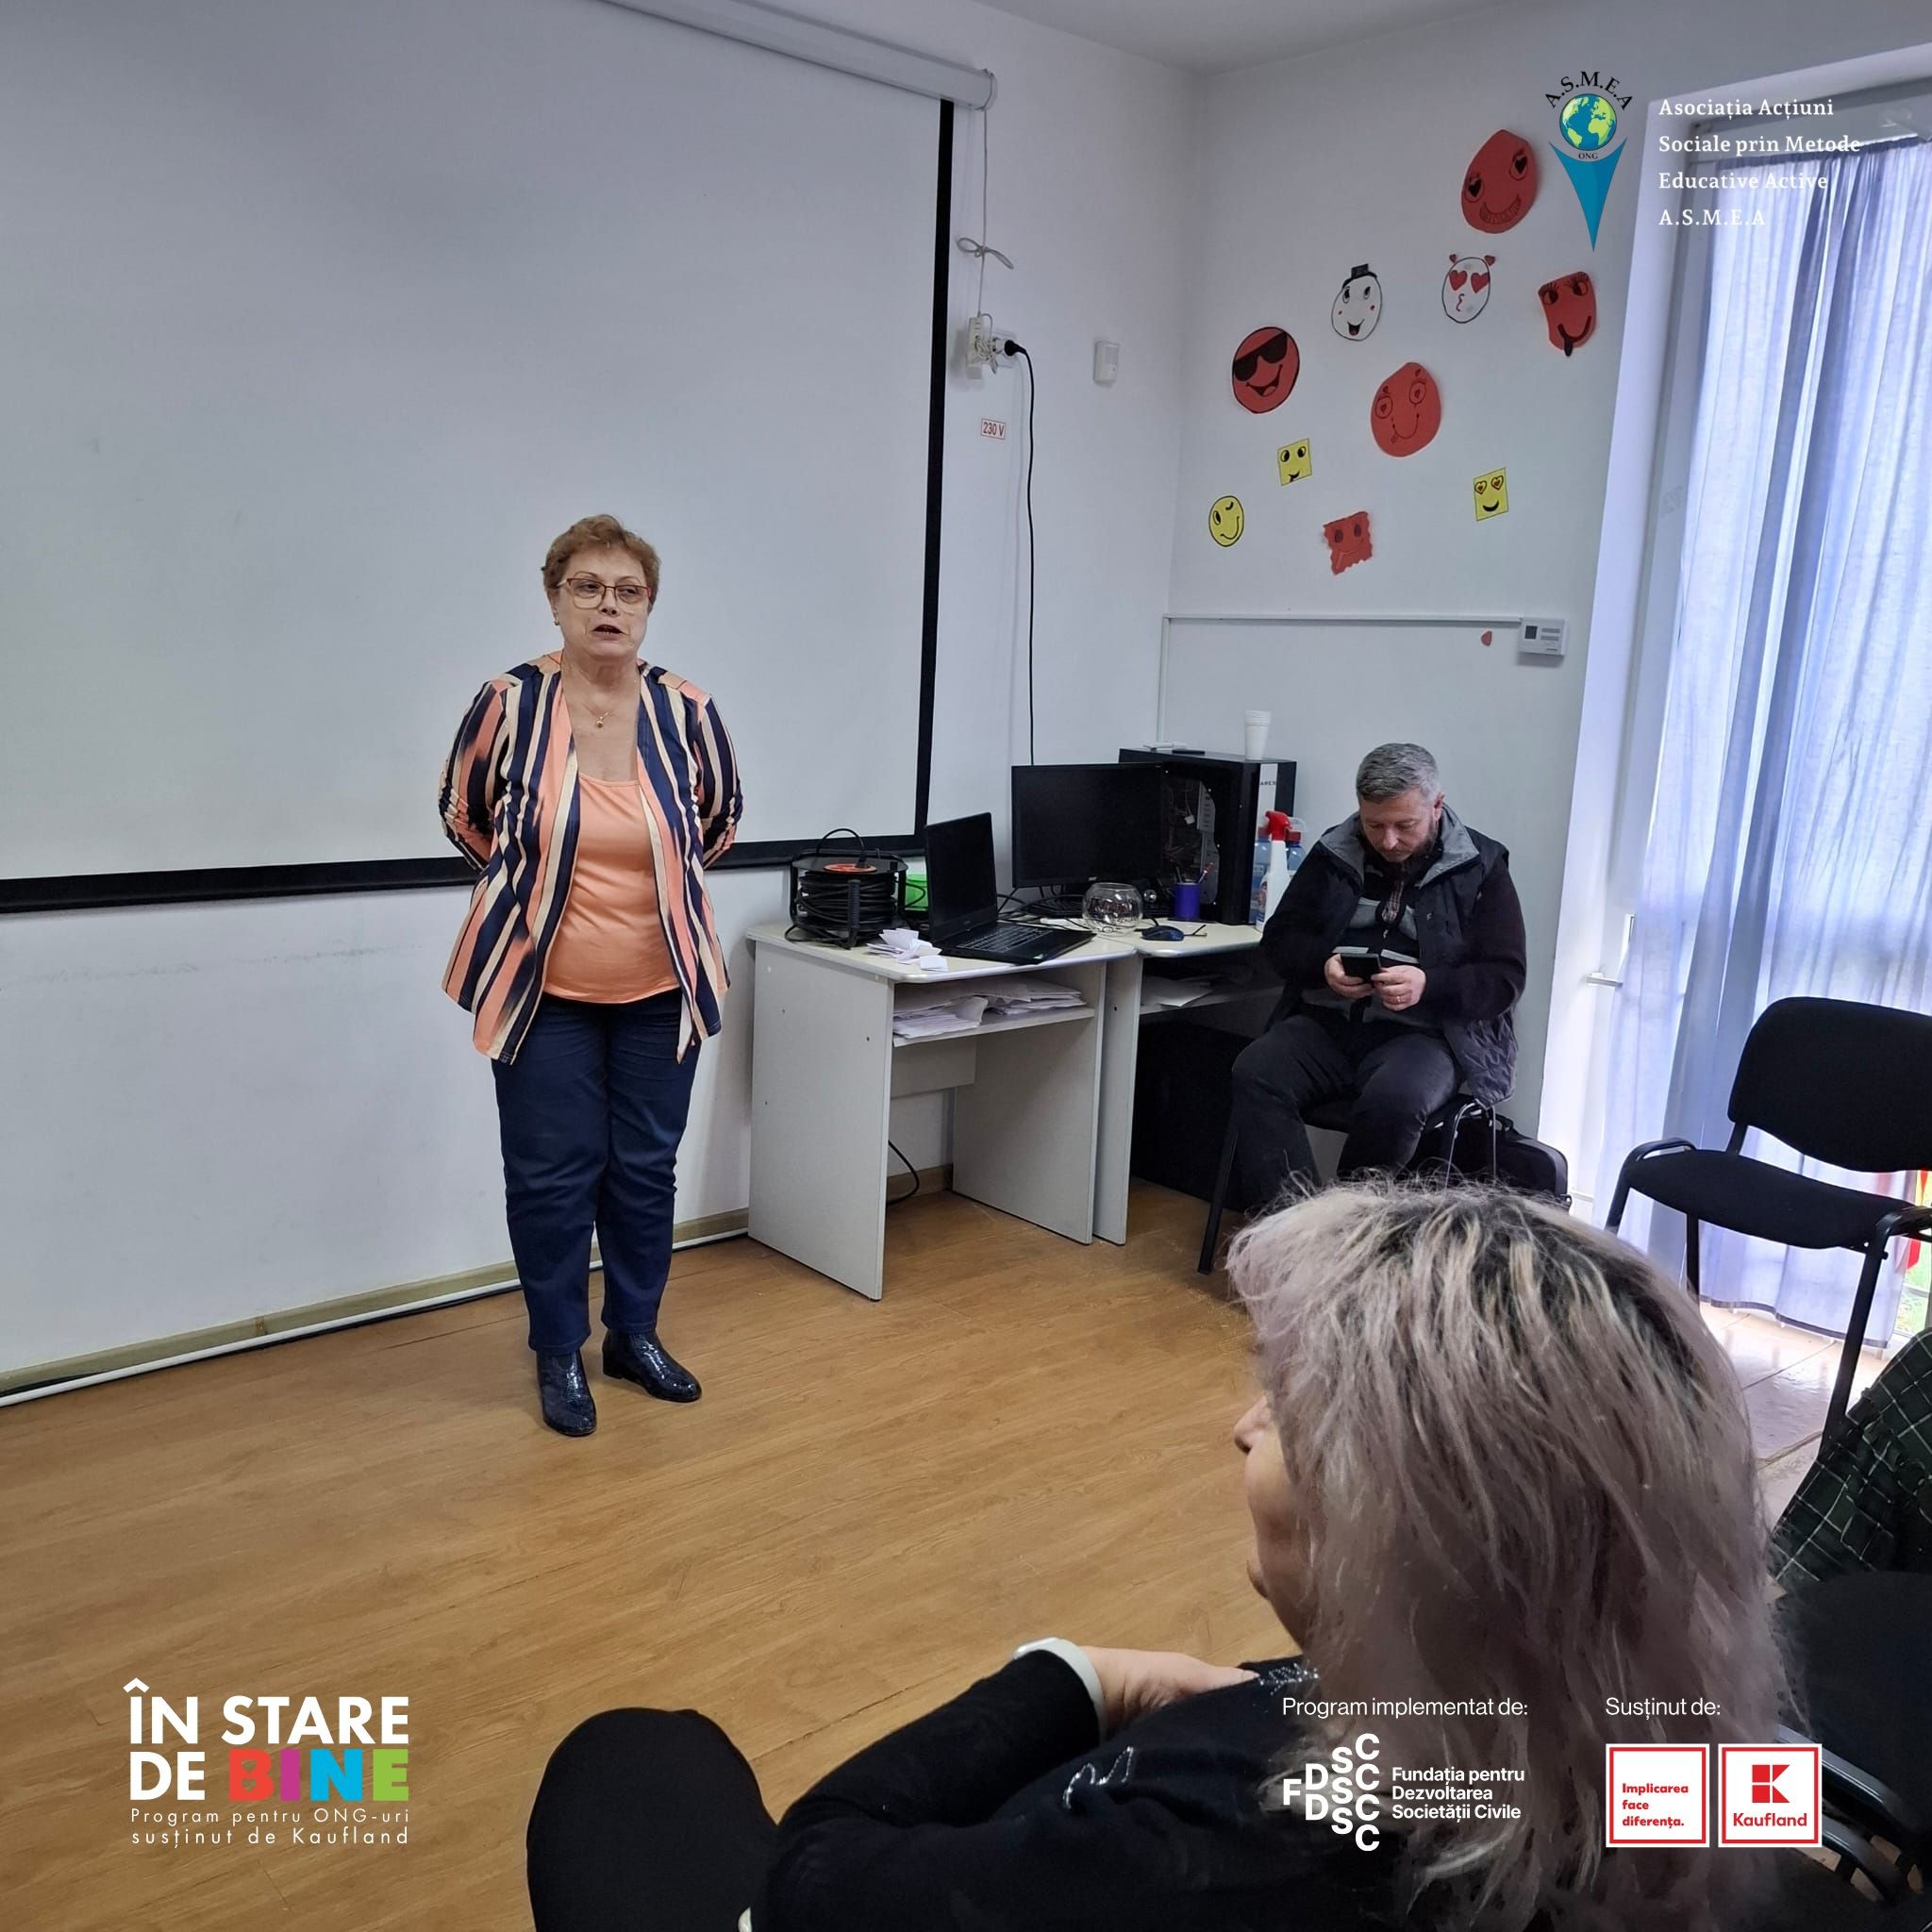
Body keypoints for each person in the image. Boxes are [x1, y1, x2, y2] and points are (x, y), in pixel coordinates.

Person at [525, 1185, 1784, 1930]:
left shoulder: (1217, 1861)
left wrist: (1077, 1676)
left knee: (631, 1756)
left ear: (1401, 1531)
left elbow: (814, 1876)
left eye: (1286, 1408)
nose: (1242, 1425)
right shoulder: (1665, 1754)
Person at [440, 513, 741, 1438]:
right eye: (587, 587)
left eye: (628, 591)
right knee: (550, 1176)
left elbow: (718, 821)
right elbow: (464, 814)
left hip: (662, 989)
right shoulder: (509, 702)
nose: (608, 605)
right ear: (554, 597)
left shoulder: (686, 708)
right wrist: (537, 894)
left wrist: (650, 895)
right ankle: (558, 1348)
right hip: (543, 994)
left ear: (648, 606)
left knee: (645, 1171)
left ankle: (633, 1334)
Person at [1231, 741, 1525, 1209]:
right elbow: (1280, 940)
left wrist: (1428, 984)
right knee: (1255, 1070)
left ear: (1437, 806)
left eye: (1404, 826)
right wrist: (1322, 965)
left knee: (1396, 1100)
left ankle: (1348, 1231)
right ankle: (1292, 1226)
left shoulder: (1481, 866)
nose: (1388, 842)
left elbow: (1505, 978)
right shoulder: (1334, 850)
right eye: (1374, 825)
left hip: (1427, 1036)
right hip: (1329, 1024)